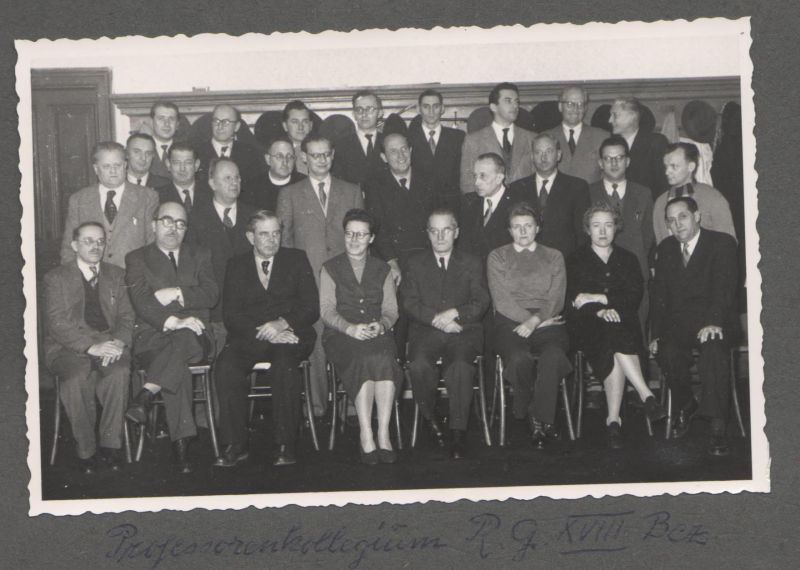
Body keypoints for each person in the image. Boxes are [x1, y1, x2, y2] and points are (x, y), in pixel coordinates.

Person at [214, 210, 319, 467]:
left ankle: (285, 444)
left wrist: (281, 324)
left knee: (284, 365)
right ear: (251, 237)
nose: (272, 240)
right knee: (226, 366)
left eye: (276, 234)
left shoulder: (296, 259)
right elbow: (231, 315)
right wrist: (266, 331)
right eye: (264, 234)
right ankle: (235, 444)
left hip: (291, 334)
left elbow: (311, 307)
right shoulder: (236, 265)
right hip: (250, 337)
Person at [124, 202, 218, 473]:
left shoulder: (200, 254)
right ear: (153, 225)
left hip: (196, 335)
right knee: (178, 364)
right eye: (166, 221)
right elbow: (141, 301)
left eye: (180, 223)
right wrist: (175, 321)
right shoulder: (137, 258)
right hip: (153, 337)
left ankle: (145, 394)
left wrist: (177, 293)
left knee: (186, 337)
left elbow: (211, 294)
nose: (173, 228)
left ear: (186, 229)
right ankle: (181, 445)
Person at [277, 134, 364, 418]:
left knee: (349, 338)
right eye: (315, 155)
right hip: (308, 283)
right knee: (315, 344)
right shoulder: (290, 194)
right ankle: (318, 408)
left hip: (345, 282)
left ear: (333, 155)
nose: (322, 160)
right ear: (304, 158)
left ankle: (353, 405)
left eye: (326, 154)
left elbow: (361, 238)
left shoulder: (352, 191)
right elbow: (284, 244)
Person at [566, 205, 667, 449]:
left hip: (622, 322)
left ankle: (613, 420)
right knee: (612, 334)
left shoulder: (628, 258)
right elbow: (574, 299)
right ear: (587, 229)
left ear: (616, 228)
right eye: (596, 225)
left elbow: (633, 296)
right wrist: (599, 310)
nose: (602, 231)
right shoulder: (575, 259)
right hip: (587, 326)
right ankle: (646, 394)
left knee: (615, 336)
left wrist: (600, 298)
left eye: (608, 225)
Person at [650, 197, 739, 456]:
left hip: (716, 319)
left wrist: (714, 322)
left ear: (697, 216)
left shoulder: (722, 243)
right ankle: (687, 404)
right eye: (671, 220)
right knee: (666, 350)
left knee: (713, 349)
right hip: (680, 323)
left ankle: (717, 425)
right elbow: (659, 296)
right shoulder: (666, 248)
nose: (677, 224)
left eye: (683, 217)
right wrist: (656, 334)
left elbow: (725, 288)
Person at [44, 222, 134, 474]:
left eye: (100, 241)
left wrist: (119, 342)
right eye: (88, 241)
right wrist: (91, 347)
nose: (96, 246)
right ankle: (86, 450)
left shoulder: (117, 275)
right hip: (68, 346)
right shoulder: (56, 278)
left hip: (110, 343)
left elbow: (127, 317)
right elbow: (57, 323)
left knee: (119, 373)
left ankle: (110, 446)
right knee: (75, 379)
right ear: (74, 245)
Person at [402, 208, 490, 458]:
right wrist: (437, 320)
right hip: (426, 330)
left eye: (446, 230)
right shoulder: (415, 263)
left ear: (456, 232)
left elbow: (481, 301)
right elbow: (409, 302)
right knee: (418, 365)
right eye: (434, 231)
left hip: (463, 330)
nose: (440, 237)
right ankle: (431, 418)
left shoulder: (472, 262)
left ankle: (458, 431)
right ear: (427, 233)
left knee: (460, 366)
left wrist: (455, 313)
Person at [320, 209, 403, 464]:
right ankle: (366, 432)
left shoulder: (383, 269)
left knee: (384, 358)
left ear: (371, 238)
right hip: (340, 334)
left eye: (361, 234)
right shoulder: (330, 268)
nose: (354, 240)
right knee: (364, 358)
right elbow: (326, 311)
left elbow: (391, 310)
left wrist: (382, 325)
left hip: (377, 332)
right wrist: (350, 329)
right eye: (349, 234)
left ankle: (383, 432)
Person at [487, 202, 572, 449]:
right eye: (517, 227)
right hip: (510, 321)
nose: (523, 231)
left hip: (547, 319)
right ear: (509, 230)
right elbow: (501, 300)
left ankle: (537, 417)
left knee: (554, 356)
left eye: (528, 226)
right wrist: (528, 320)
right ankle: (534, 410)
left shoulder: (554, 256)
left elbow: (556, 298)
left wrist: (536, 321)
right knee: (518, 359)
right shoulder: (498, 256)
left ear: (537, 228)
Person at [188, 158, 255, 351]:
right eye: (227, 178)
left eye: (237, 177)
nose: (234, 183)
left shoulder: (253, 216)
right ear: (212, 183)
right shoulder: (195, 219)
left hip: (250, 312)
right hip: (214, 314)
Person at [589, 135, 655, 330]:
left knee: (635, 331)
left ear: (628, 161)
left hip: (634, 275)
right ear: (600, 163)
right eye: (608, 158)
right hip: (598, 276)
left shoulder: (643, 193)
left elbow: (648, 236)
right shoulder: (588, 192)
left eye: (619, 158)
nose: (614, 163)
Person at [60, 141, 159, 269]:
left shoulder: (147, 197)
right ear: (96, 169)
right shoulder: (79, 199)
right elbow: (69, 246)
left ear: (125, 165)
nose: (113, 171)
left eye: (117, 165)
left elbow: (152, 244)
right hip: (91, 276)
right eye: (106, 166)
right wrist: (74, 277)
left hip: (132, 276)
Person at [509, 133, 591, 258]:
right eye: (538, 152)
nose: (543, 157)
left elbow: (582, 232)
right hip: (526, 259)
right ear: (532, 157)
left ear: (558, 155)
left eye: (549, 151)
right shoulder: (517, 188)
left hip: (565, 259)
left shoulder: (577, 187)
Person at [460, 82, 536, 194]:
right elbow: (467, 183)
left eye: (517, 101)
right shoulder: (473, 140)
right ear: (493, 107)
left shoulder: (532, 138)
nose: (515, 106)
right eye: (508, 101)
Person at [653, 142, 736, 244]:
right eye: (666, 166)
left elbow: (728, 241)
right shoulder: (660, 203)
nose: (667, 172)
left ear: (691, 167)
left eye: (674, 166)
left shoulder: (712, 197)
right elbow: (661, 244)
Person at [458, 152, 536, 260]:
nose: (476, 182)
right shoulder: (469, 201)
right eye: (475, 176)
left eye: (483, 176)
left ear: (499, 178)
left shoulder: (518, 204)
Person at [408, 89, 465, 209]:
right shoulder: (408, 138)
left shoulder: (458, 137)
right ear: (418, 109)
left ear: (442, 108)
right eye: (426, 106)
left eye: (436, 106)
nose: (431, 111)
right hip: (418, 206)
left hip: (450, 206)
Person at [195, 104, 267, 197]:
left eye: (226, 122)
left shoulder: (250, 153)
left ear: (236, 126)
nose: (220, 126)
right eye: (216, 121)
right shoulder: (197, 152)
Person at [609, 97, 670, 199]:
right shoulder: (611, 144)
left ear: (632, 116)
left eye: (615, 115)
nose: (610, 120)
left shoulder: (656, 143)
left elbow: (664, 186)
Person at [544, 86, 608, 184]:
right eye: (570, 104)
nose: (575, 109)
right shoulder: (545, 138)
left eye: (580, 104)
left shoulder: (602, 137)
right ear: (560, 107)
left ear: (585, 108)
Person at [331, 90, 385, 185]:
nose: (364, 114)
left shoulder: (388, 142)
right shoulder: (341, 146)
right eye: (359, 109)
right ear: (354, 114)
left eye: (370, 109)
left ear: (380, 113)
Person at [240, 136, 307, 212]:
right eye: (279, 156)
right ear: (268, 159)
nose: (285, 162)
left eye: (290, 157)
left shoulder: (305, 183)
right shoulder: (251, 187)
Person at [159, 142, 212, 213]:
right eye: (177, 162)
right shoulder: (158, 196)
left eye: (188, 162)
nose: (182, 168)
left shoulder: (211, 193)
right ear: (168, 165)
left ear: (196, 165)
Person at [148, 101, 182, 179]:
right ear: (151, 122)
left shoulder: (185, 150)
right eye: (161, 118)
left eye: (171, 119)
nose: (167, 124)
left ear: (177, 124)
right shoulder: (142, 148)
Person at [282, 100, 314, 175]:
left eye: (305, 121)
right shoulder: (278, 151)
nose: (300, 127)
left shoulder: (320, 149)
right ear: (285, 126)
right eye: (295, 122)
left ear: (311, 125)